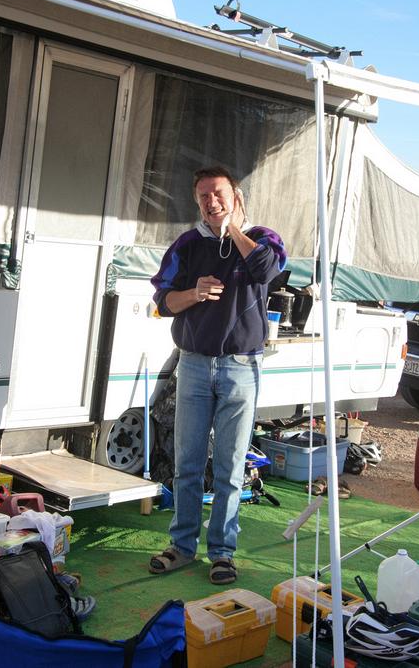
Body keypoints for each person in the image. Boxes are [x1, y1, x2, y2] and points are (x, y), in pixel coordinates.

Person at [149, 166, 287, 584]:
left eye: (219, 194)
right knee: (187, 464)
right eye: (204, 196)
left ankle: (223, 554)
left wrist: (233, 230)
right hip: (193, 365)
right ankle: (182, 547)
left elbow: (268, 271)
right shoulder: (188, 244)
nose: (211, 202)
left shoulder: (262, 238)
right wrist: (194, 293)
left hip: (242, 367)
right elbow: (163, 302)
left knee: (229, 467)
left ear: (236, 196)